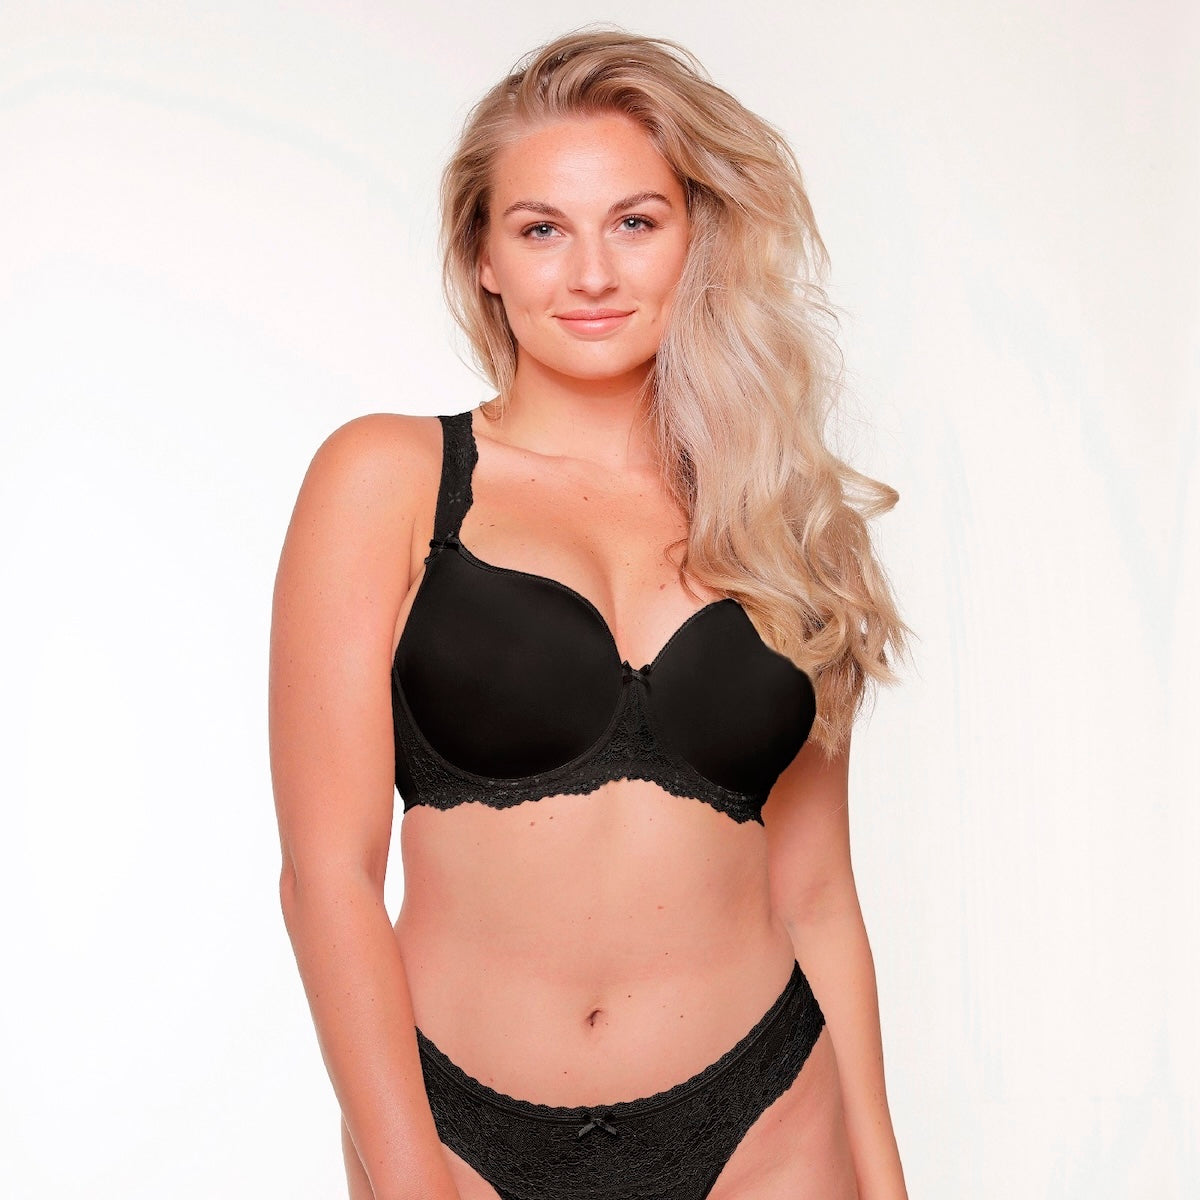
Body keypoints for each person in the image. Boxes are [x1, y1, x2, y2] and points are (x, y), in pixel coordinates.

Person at [270, 27, 908, 1200]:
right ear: (483, 257)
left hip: (771, 1123)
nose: (594, 274)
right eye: (542, 229)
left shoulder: (780, 518)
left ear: (697, 236)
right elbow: (327, 877)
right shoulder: (388, 479)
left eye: (636, 222)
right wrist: (407, 1179)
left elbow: (817, 893)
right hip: (459, 1136)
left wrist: (886, 1180)